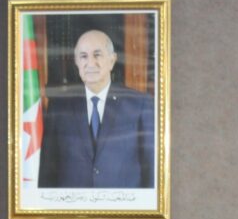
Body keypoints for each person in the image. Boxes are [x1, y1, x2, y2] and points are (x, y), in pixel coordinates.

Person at [37, 29, 154, 189]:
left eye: (97, 55)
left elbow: (151, 169)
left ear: (112, 60)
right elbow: (47, 172)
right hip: (73, 203)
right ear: (77, 62)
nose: (90, 63)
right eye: (83, 56)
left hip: (121, 203)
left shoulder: (139, 104)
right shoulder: (59, 106)